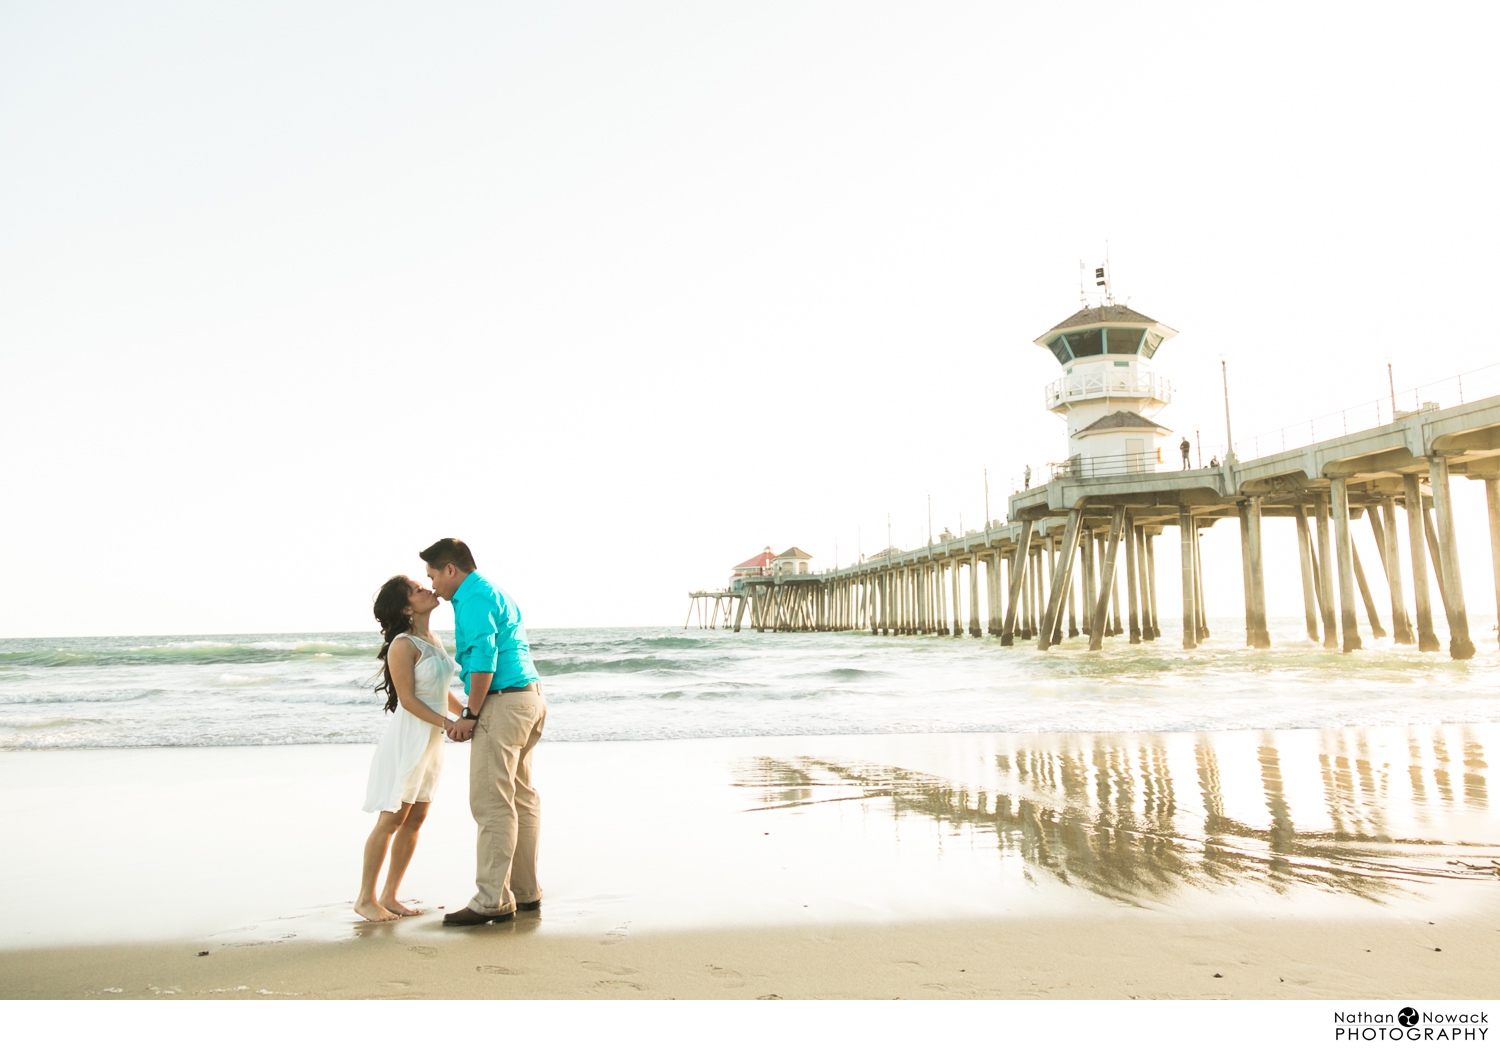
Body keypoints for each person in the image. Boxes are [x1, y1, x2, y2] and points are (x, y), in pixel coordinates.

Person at [421, 538, 545, 927]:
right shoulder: (494, 591)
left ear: (450, 570)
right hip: (530, 698)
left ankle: (492, 899)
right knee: (521, 798)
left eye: (433, 576)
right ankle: (525, 893)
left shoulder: (472, 599)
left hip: (503, 702)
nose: (432, 586)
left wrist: (470, 715)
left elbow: (484, 660)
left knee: (492, 803)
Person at [357, 575, 464, 922]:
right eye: (418, 590)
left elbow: (440, 690)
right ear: (406, 608)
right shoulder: (402, 645)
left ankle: (390, 895)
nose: (427, 589)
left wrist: (465, 713)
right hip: (410, 738)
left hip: (431, 742)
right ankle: (365, 899)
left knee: (416, 818)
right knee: (392, 818)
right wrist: (448, 723)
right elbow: (408, 700)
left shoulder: (432, 639)